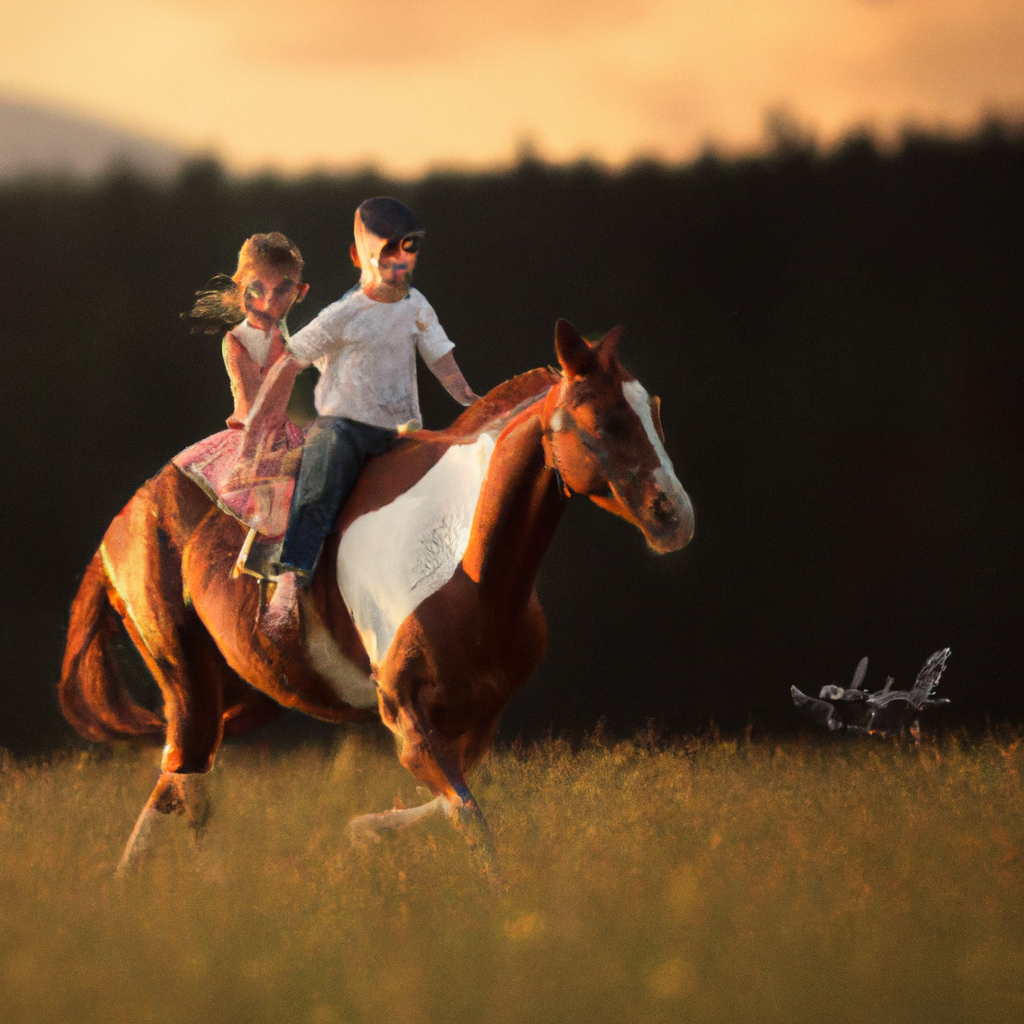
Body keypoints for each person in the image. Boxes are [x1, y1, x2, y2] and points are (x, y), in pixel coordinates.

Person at [260, 197, 480, 638]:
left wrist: (471, 400)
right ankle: (291, 576)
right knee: (321, 475)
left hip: (402, 430)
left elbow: (441, 358)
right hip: (345, 425)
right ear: (359, 257)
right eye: (387, 252)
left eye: (408, 249)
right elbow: (290, 358)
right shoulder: (344, 314)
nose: (400, 262)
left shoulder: (417, 306)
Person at [174, 233, 310, 545]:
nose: (269, 302)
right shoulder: (236, 342)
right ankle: (272, 572)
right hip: (253, 438)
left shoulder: (284, 340)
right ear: (242, 289)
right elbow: (256, 407)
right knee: (275, 499)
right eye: (258, 290)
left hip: (285, 433)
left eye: (281, 292)